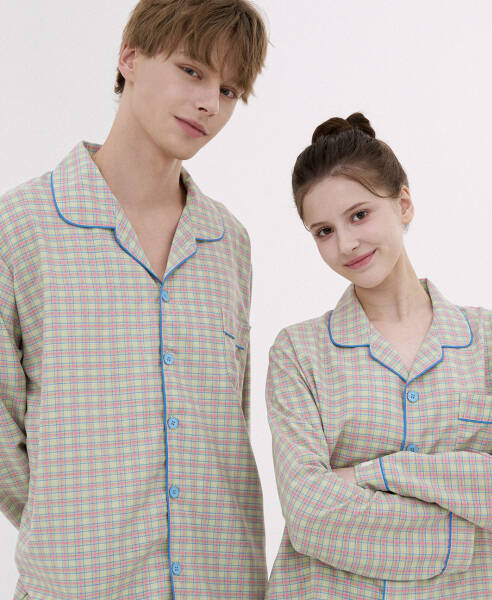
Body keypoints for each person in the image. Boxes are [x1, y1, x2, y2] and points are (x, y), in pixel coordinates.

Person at [0, 1, 268, 599]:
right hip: (83, 584)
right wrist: (67, 522)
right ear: (130, 57)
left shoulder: (228, 242)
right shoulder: (23, 227)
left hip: (222, 582)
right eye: (192, 71)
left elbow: (231, 418)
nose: (209, 103)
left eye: (229, 90)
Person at [265, 112, 492, 599]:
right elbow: (308, 513)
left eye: (359, 215)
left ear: (404, 203)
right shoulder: (298, 354)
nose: (346, 244)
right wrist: (462, 521)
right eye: (323, 231)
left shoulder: (490, 340)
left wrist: (373, 474)